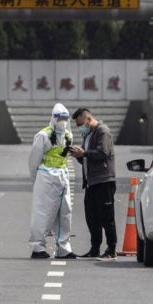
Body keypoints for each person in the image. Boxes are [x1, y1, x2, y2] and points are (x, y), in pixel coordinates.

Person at [28, 103, 76, 260]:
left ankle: (63, 248)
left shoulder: (68, 135)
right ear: (54, 118)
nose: (63, 121)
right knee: (43, 212)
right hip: (46, 176)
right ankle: (37, 246)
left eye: (65, 118)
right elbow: (34, 160)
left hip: (62, 176)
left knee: (64, 212)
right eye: (60, 118)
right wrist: (37, 179)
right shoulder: (43, 135)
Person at [68, 107, 117, 259]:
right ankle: (94, 248)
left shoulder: (103, 132)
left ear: (88, 119)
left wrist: (84, 153)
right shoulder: (88, 135)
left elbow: (103, 153)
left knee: (106, 218)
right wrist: (78, 155)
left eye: (81, 124)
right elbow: (87, 159)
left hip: (103, 181)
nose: (80, 128)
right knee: (92, 218)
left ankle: (111, 249)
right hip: (91, 183)